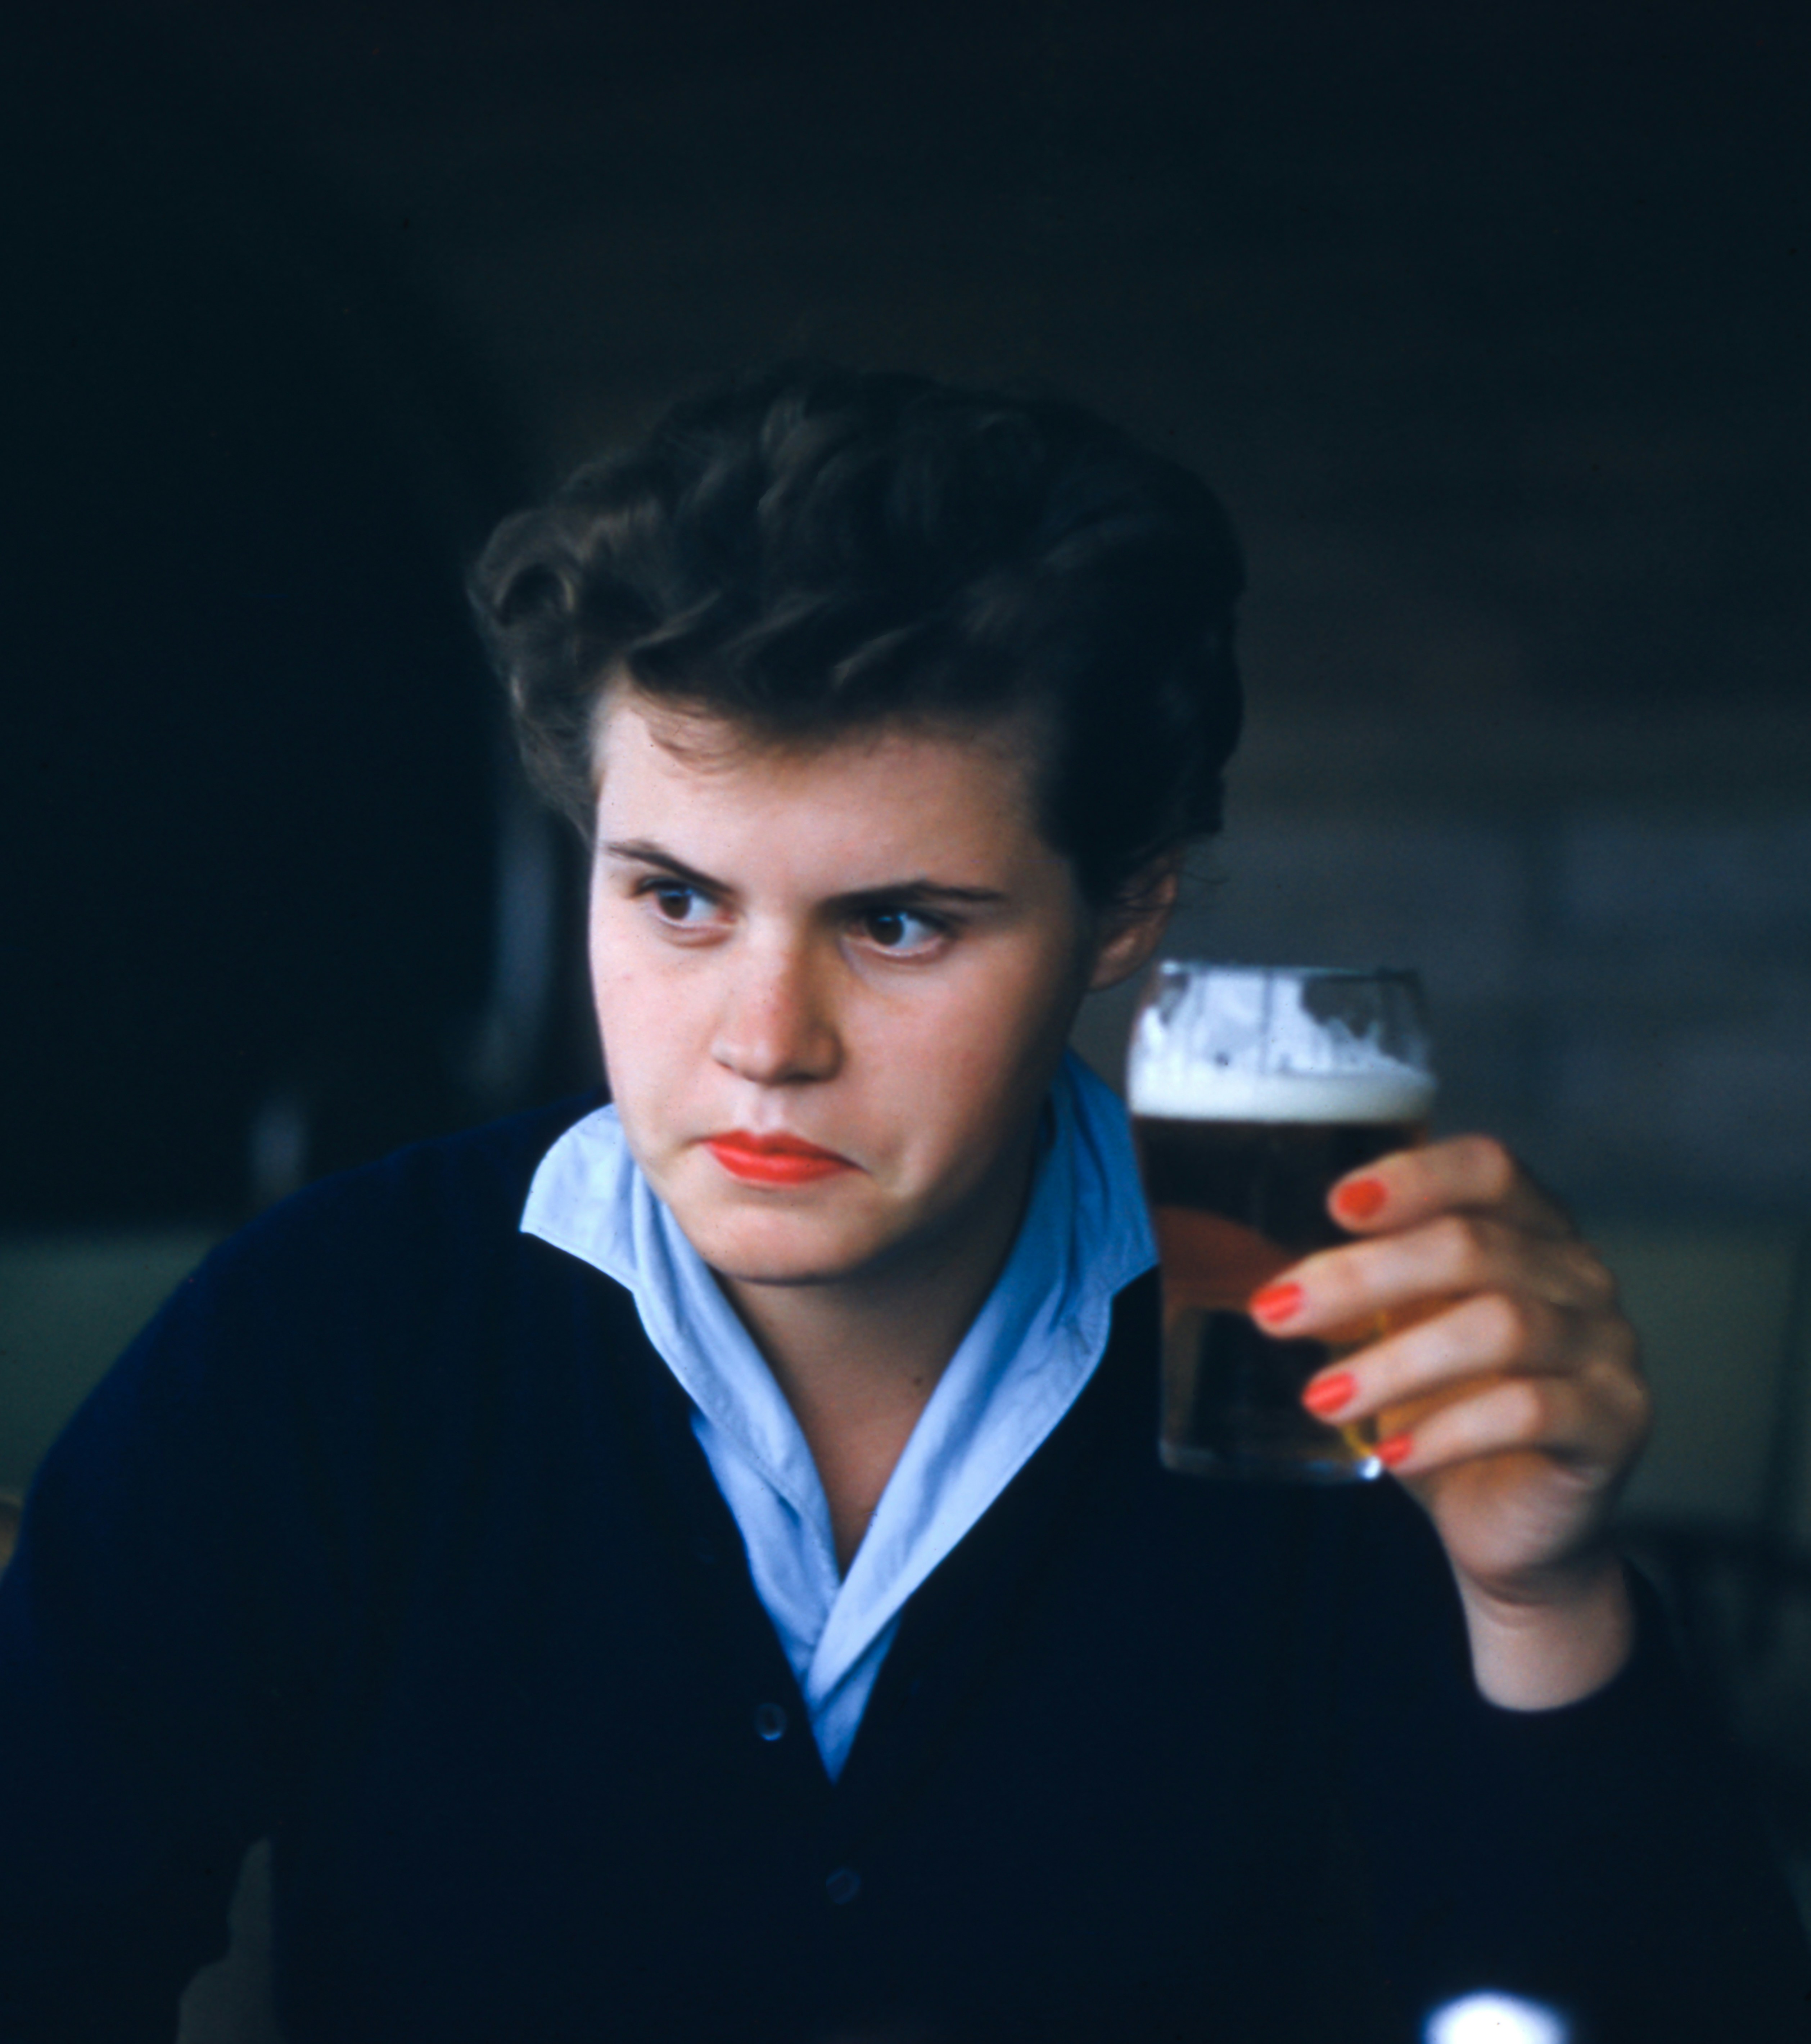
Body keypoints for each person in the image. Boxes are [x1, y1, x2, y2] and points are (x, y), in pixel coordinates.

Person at [0, 364, 1803, 2043]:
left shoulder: (1315, 1351)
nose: (763, 1042)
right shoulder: (330, 1331)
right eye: (676, 901)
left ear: (1124, 908)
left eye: (895, 923)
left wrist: (1545, 1603)